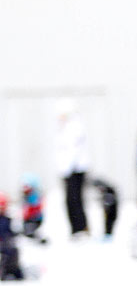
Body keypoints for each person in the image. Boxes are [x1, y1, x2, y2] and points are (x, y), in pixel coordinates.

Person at [54, 98, 90, 238]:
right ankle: (76, 228)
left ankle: (80, 228)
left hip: (75, 171)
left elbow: (72, 151)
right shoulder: (64, 128)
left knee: (74, 200)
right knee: (71, 200)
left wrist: (67, 170)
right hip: (69, 171)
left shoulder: (74, 127)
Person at [0, 192, 24, 280]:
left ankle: (15, 272)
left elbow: (14, 232)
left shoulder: (8, 219)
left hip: (7, 245)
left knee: (13, 250)